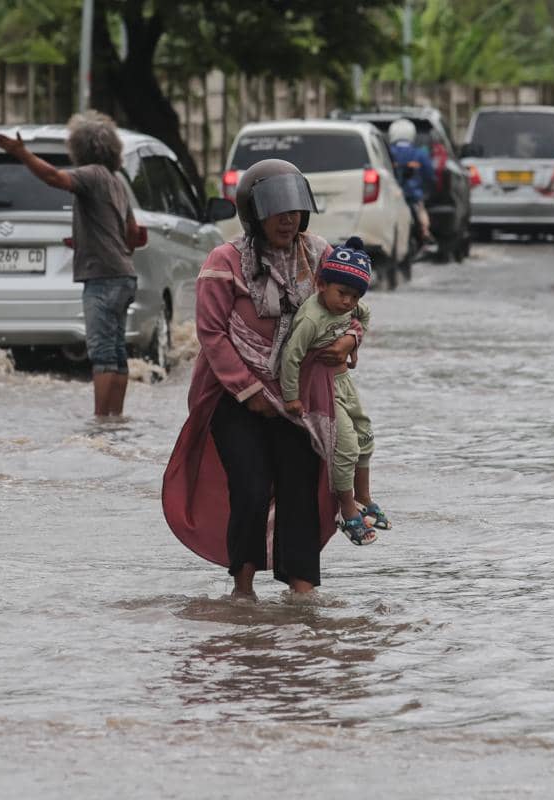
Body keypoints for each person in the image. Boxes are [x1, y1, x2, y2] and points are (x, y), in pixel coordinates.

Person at [162, 159, 361, 599]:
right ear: (253, 214)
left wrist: (349, 340)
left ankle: (303, 596)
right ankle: (243, 590)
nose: (287, 220)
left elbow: (349, 308)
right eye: (276, 211)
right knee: (250, 487)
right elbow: (212, 334)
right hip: (233, 398)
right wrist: (248, 390)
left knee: (300, 490)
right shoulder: (224, 262)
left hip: (299, 397)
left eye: (294, 211)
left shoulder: (320, 256)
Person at [0, 112, 137, 417]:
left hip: (102, 277)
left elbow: (54, 178)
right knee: (117, 352)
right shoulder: (117, 182)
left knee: (102, 354)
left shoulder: (91, 175)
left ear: (80, 148)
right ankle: (115, 421)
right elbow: (133, 235)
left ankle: (100, 422)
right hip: (124, 274)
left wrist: (22, 153)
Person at [281, 237, 389, 546]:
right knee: (347, 446)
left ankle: (364, 497)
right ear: (322, 284)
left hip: (344, 383)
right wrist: (291, 397)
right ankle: (346, 507)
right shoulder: (311, 319)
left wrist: (353, 343)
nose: (347, 302)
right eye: (342, 293)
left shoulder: (352, 306)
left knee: (365, 435)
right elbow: (291, 357)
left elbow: (364, 315)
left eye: (354, 296)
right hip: (321, 388)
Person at [387, 118, 435, 243]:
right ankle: (425, 232)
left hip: (392, 197)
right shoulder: (420, 154)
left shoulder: (387, 152)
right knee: (421, 211)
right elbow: (429, 175)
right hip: (414, 195)